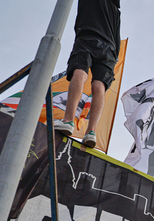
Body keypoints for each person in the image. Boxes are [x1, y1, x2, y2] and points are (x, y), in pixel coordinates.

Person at [53, 0, 121, 148]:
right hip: (109, 48)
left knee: (80, 73)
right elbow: (117, 38)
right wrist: (112, 57)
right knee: (99, 86)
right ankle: (91, 132)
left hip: (87, 36)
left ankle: (68, 120)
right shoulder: (115, 9)